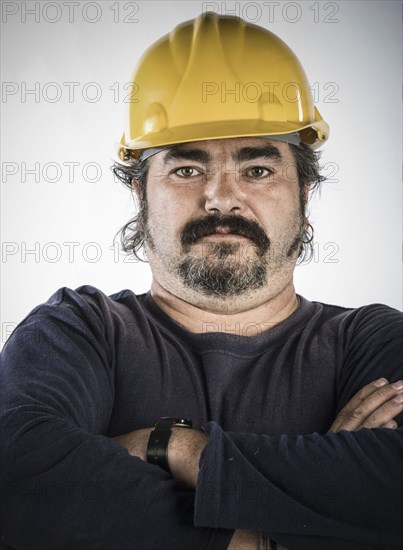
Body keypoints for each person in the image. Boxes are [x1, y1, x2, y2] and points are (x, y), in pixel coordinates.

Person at [0, 12, 402, 550]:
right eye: (187, 170)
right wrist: (272, 534)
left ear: (305, 193)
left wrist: (173, 447)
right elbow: (20, 473)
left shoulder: (372, 342)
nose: (221, 198)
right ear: (142, 196)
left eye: (257, 169)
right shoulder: (78, 330)